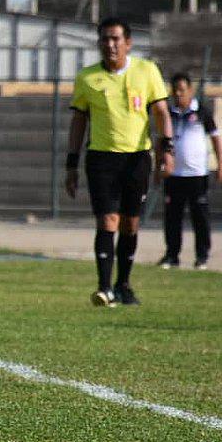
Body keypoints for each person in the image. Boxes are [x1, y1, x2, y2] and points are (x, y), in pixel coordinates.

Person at [64, 17, 174, 307]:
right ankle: (104, 288)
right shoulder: (87, 77)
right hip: (101, 158)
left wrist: (167, 150)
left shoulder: (147, 71)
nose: (110, 44)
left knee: (130, 223)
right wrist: (71, 164)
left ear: (128, 43)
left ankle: (123, 284)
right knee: (107, 219)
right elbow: (78, 121)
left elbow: (161, 112)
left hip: (137, 158)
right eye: (105, 39)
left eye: (115, 39)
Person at [158, 72, 222, 270]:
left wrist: (221, 165)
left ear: (190, 90)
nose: (178, 94)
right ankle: (172, 256)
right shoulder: (168, 114)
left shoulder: (202, 112)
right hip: (174, 175)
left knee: (200, 218)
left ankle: (202, 257)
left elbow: (216, 138)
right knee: (172, 218)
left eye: (182, 90)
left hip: (197, 175)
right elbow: (161, 141)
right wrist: (157, 167)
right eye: (175, 90)